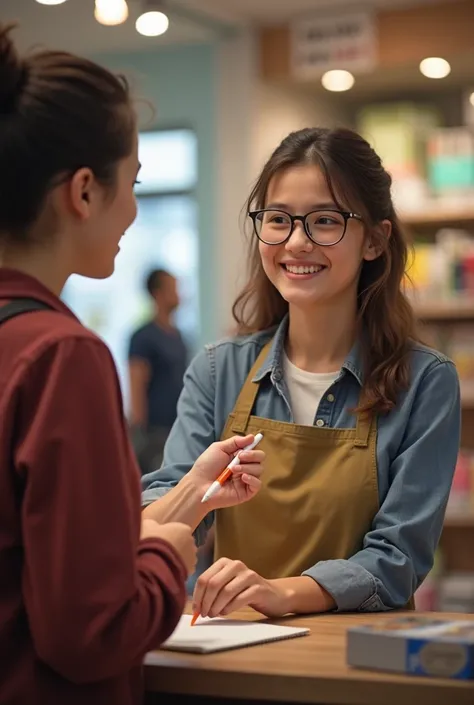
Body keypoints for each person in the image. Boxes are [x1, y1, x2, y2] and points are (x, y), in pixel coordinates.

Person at [0, 24, 265, 705]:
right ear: (83, 191)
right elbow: (91, 629)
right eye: (133, 183)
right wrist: (167, 554)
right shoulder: (62, 355)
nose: (133, 210)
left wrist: (189, 496)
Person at [142, 126, 461, 620]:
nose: (296, 242)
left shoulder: (424, 381)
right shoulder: (217, 370)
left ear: (375, 240)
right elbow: (155, 529)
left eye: (325, 221)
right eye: (278, 219)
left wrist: (281, 592)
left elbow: (398, 558)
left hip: (356, 660)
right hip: (231, 651)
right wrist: (196, 497)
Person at [128, 268, 187, 474]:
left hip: (177, 427)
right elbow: (136, 383)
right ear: (158, 294)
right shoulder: (142, 337)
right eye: (173, 289)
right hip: (153, 432)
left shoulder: (179, 336)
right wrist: (140, 431)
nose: (179, 294)